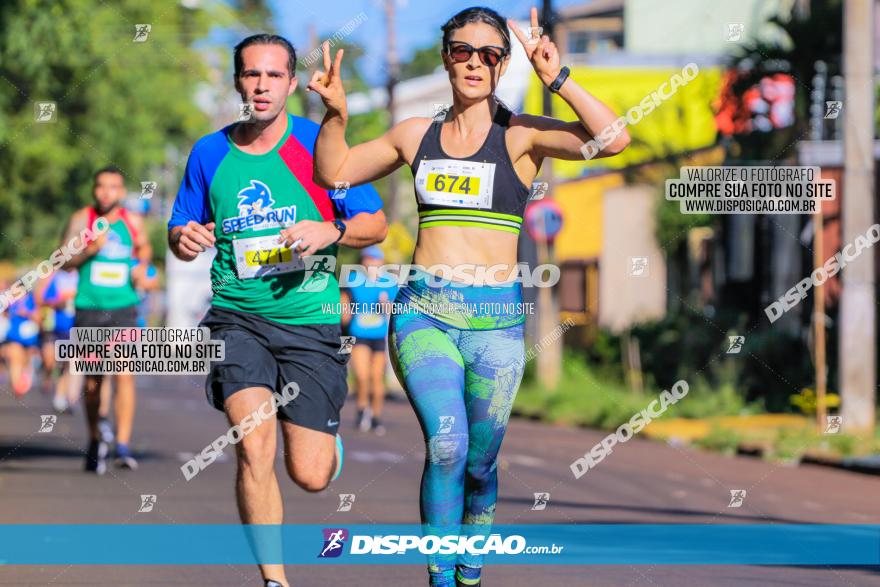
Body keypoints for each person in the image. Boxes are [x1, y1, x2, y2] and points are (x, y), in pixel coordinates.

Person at [310, 7, 629, 586]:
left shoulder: (523, 134)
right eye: (464, 51)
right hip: (423, 313)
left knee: (480, 464)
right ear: (445, 56)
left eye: (490, 54)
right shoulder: (415, 135)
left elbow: (614, 140)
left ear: (504, 63)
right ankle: (440, 579)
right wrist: (335, 116)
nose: (476, 63)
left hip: (497, 321)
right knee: (449, 444)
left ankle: (470, 569)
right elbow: (334, 172)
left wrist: (558, 78)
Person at [167, 33, 387, 587]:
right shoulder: (208, 152)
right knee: (252, 441)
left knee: (309, 474)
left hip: (309, 322)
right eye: (250, 74)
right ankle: (274, 579)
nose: (260, 85)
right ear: (238, 81)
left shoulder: (320, 147)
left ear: (291, 83)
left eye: (273, 75)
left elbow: (376, 224)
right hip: (236, 316)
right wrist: (184, 238)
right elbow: (179, 226)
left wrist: (330, 228)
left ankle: (324, 443)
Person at [61, 165, 152, 474]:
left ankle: (122, 445)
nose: (106, 192)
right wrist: (88, 250)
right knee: (93, 379)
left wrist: (143, 270)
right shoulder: (81, 219)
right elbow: (62, 260)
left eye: (113, 187)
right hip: (89, 308)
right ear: (94, 190)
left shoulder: (133, 221)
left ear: (121, 192)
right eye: (101, 186)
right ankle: (95, 438)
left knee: (124, 373)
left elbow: (144, 253)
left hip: (124, 308)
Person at [340, 245, 397, 434]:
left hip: (379, 335)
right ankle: (362, 408)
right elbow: (344, 299)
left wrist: (385, 305)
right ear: (362, 261)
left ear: (381, 262)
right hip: (359, 333)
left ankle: (376, 417)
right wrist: (344, 312)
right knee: (362, 376)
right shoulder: (354, 279)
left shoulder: (389, 283)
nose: (370, 262)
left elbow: (393, 310)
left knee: (376, 379)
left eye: (374, 259)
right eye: (367, 259)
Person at [34, 269, 81, 413]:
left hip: (75, 326)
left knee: (71, 363)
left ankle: (67, 398)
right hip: (53, 326)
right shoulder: (53, 275)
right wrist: (60, 300)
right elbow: (40, 299)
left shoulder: (83, 272)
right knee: (51, 361)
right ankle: (47, 375)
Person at [4, 288, 41, 396]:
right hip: (14, 337)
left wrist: (27, 313)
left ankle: (21, 383)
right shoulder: (10, 301)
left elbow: (38, 317)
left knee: (25, 362)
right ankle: (17, 386)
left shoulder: (32, 300)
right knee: (16, 360)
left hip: (29, 338)